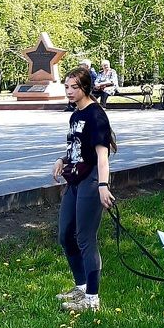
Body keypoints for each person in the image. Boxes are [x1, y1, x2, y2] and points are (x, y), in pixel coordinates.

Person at [52, 66, 117, 313]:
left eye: (74, 87)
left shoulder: (95, 115)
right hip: (75, 180)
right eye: (66, 87)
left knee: (85, 238)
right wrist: (62, 159)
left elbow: (102, 156)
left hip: (91, 181)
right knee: (65, 235)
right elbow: (77, 149)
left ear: (86, 88)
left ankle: (92, 300)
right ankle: (81, 287)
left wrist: (103, 186)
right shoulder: (75, 115)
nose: (69, 91)